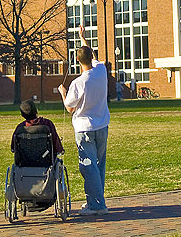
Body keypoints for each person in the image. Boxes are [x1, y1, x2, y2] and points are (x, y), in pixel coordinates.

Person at [58, 24, 110, 216]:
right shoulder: (101, 71)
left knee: (88, 166)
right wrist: (83, 38)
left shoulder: (78, 83)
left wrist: (63, 93)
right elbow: (94, 57)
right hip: (102, 126)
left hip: (85, 128)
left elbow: (70, 108)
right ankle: (97, 200)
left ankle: (97, 205)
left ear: (78, 62)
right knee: (99, 166)